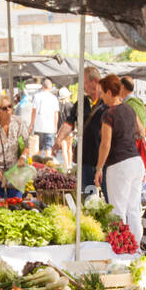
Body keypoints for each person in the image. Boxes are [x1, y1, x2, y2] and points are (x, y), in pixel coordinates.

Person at [95, 74, 144, 242]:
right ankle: (136, 247)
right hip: (136, 162)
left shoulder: (108, 114)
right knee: (134, 209)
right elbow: (142, 131)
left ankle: (120, 248)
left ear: (109, 92)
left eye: (102, 93)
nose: (101, 96)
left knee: (118, 209)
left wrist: (99, 168)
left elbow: (105, 144)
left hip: (119, 164)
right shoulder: (130, 109)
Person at [54, 65, 105, 194]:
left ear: (95, 82)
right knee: (88, 196)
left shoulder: (107, 100)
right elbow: (70, 122)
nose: (82, 87)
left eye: (84, 83)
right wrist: (59, 139)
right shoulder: (82, 102)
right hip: (86, 157)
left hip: (105, 159)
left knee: (110, 197)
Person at [0, 92, 29, 197]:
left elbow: (26, 143)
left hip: (15, 169)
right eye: (4, 108)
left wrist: (23, 156)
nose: (8, 110)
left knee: (16, 204)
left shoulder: (19, 122)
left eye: (10, 106)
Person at [29, 78, 61, 155]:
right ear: (50, 88)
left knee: (38, 148)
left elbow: (34, 111)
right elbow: (56, 114)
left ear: (42, 87)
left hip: (38, 127)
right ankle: (47, 164)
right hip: (49, 128)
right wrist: (55, 127)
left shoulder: (37, 96)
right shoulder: (54, 98)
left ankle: (37, 165)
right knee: (48, 148)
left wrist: (31, 124)